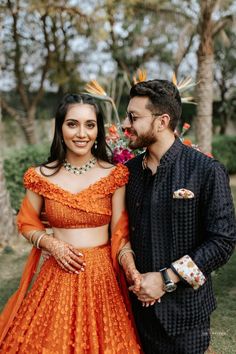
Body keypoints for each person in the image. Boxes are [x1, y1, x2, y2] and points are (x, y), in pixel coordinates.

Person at [0, 93, 142, 353]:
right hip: (58, 272)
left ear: (98, 129)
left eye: (90, 125)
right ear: (60, 127)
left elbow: (120, 233)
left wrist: (130, 265)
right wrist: (52, 245)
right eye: (72, 124)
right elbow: (27, 223)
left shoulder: (114, 175)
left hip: (101, 279)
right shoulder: (41, 176)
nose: (82, 133)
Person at [122, 79, 236, 354]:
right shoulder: (129, 173)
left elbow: (222, 242)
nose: (125, 124)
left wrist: (166, 279)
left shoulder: (206, 170)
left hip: (187, 318)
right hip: (137, 315)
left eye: (133, 117)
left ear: (162, 121)